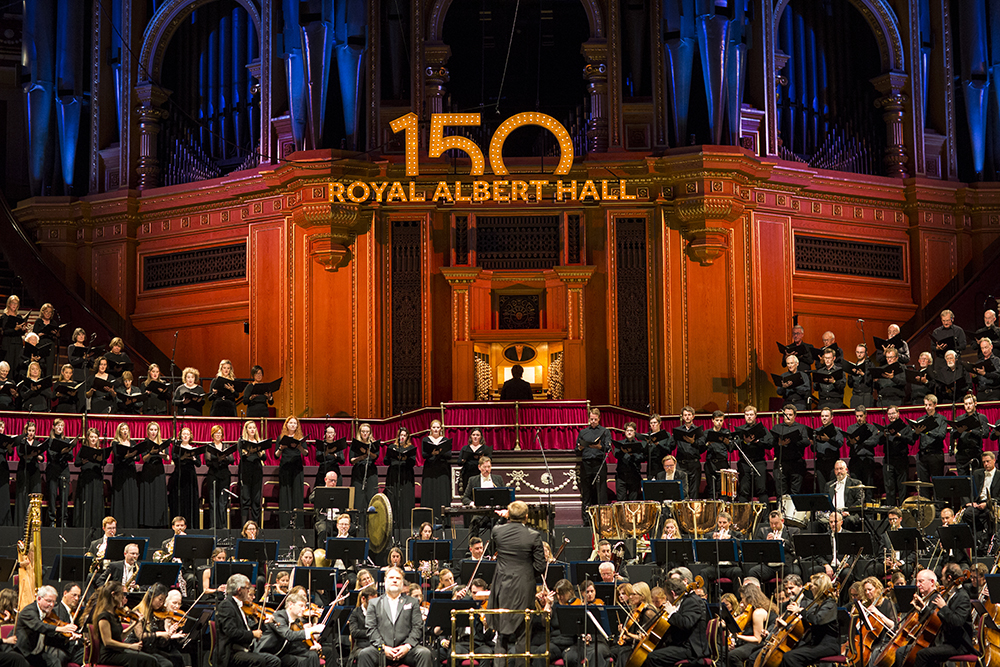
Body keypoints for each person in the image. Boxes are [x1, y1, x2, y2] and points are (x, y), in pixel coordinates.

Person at [488, 500, 545, 667]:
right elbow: (540, 566)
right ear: (526, 517)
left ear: (509, 515)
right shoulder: (533, 535)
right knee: (523, 632)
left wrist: (501, 519)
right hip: (524, 587)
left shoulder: (498, 531)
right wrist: (526, 575)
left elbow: (492, 548)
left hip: (502, 584)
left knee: (501, 631)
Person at [357, 567, 432, 667]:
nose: (395, 580)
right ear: (385, 580)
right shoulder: (374, 603)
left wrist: (407, 646)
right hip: (381, 650)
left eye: (398, 578)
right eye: (391, 577)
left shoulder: (412, 602)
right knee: (364, 654)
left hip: (407, 650)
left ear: (402, 582)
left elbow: (417, 627)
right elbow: (371, 629)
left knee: (424, 653)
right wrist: (383, 648)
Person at [912, 565, 975, 667]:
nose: (941, 579)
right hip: (946, 641)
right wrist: (923, 609)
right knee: (921, 650)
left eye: (943, 576)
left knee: (922, 654)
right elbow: (938, 619)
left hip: (958, 645)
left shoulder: (963, 596)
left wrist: (944, 607)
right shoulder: (950, 593)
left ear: (949, 578)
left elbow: (957, 622)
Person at [214, 573, 281, 667]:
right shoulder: (226, 606)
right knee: (258, 661)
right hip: (231, 652)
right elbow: (231, 632)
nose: (249, 590)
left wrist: (259, 622)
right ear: (239, 590)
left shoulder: (240, 606)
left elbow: (246, 630)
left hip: (243, 649)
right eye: (247, 588)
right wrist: (253, 634)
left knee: (274, 661)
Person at [643, 576, 709, 667]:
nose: (666, 598)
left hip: (692, 649)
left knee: (653, 657)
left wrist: (672, 613)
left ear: (673, 593)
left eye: (667, 595)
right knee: (651, 653)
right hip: (680, 644)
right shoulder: (683, 601)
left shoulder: (692, 602)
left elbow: (686, 624)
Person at [778, 573, 839, 667]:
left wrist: (801, 610)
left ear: (820, 587)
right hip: (815, 643)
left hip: (827, 645)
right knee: (786, 656)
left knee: (791, 657)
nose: (810, 587)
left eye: (813, 585)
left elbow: (817, 620)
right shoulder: (820, 603)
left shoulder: (830, 604)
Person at [14, 585, 80, 667]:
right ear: (39, 599)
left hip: (36, 654)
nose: (51, 605)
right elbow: (39, 626)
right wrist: (61, 628)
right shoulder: (29, 611)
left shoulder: (47, 615)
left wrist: (68, 638)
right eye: (48, 601)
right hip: (21, 652)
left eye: (54, 602)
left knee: (55, 662)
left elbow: (50, 638)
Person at [257, 590, 325, 667]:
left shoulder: (296, 620)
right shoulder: (279, 616)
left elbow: (296, 642)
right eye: (301, 605)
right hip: (270, 652)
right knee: (302, 661)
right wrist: (312, 629)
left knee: (312, 654)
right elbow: (288, 635)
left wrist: (310, 646)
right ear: (290, 604)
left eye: (304, 606)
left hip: (284, 652)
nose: (304, 609)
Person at [133, 583, 186, 667]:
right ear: (152, 597)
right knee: (167, 664)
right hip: (136, 648)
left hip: (150, 649)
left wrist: (169, 633)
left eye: (163, 601)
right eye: (160, 599)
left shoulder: (157, 613)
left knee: (176, 658)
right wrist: (160, 634)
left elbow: (161, 643)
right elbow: (140, 636)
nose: (161, 604)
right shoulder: (138, 612)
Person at [726, 583, 776, 667]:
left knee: (733, 655)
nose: (741, 602)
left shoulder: (758, 612)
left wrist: (737, 636)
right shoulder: (750, 610)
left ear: (749, 598)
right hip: (751, 643)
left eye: (742, 598)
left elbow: (757, 639)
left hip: (760, 644)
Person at [577, 408, 611, 522]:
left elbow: (609, 447)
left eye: (595, 419)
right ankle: (586, 520)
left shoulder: (605, 431)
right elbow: (576, 448)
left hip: (599, 463)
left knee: (601, 492)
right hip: (586, 464)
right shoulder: (583, 432)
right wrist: (580, 447)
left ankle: (603, 520)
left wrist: (600, 447)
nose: (593, 421)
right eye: (591, 419)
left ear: (599, 419)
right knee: (586, 492)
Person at [770, 404, 810, 497]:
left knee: (795, 491)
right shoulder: (777, 427)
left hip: (796, 463)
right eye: (786, 414)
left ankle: (794, 511)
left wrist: (793, 441)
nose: (788, 417)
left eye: (790, 415)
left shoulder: (801, 427)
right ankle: (781, 510)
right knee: (781, 492)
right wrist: (780, 444)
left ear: (795, 416)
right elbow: (770, 442)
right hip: (781, 462)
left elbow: (806, 442)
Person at [882, 405, 916, 507]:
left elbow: (911, 441)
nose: (891, 416)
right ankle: (891, 511)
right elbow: (878, 442)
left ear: (898, 414)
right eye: (889, 414)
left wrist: (899, 436)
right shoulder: (886, 429)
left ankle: (903, 511)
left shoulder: (905, 428)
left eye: (893, 413)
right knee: (889, 488)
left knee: (902, 488)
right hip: (889, 460)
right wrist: (884, 436)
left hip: (901, 460)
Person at [735, 406, 770, 503]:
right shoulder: (740, 429)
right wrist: (745, 442)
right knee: (743, 490)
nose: (749, 417)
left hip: (759, 461)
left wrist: (757, 441)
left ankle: (765, 518)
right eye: (747, 415)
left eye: (751, 415)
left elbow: (770, 444)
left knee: (762, 489)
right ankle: (744, 517)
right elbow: (732, 446)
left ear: (755, 416)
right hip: (744, 462)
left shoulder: (762, 429)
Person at [384, 426, 416, 531]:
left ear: (407, 437)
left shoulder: (410, 448)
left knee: (405, 500)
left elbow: (413, 462)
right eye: (400, 435)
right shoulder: (392, 447)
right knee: (394, 498)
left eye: (404, 435)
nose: (402, 437)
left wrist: (405, 458)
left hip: (406, 475)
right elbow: (385, 461)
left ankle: (405, 525)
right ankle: (393, 525)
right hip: (394, 475)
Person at [420, 419, 452, 525]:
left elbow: (449, 455)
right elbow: (424, 455)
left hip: (442, 469)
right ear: (430, 429)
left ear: (441, 429)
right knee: (430, 493)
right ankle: (427, 520)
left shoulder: (445, 440)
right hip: (430, 469)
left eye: (438, 427)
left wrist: (439, 452)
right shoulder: (426, 439)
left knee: (441, 493)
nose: (436, 429)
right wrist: (432, 453)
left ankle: (443, 521)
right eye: (434, 427)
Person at [138, 421, 169, 529]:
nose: (153, 432)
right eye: (151, 430)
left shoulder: (162, 442)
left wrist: (163, 455)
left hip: (159, 471)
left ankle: (159, 523)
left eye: (155, 430)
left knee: (158, 496)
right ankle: (147, 522)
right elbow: (144, 459)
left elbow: (168, 458)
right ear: (148, 431)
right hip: (148, 471)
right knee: (148, 496)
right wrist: (151, 453)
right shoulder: (145, 443)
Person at [277, 416, 306, 529]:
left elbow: (306, 453)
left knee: (297, 494)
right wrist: (281, 448)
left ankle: (298, 524)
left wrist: (299, 446)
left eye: (295, 423)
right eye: (291, 423)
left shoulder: (300, 437)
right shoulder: (281, 437)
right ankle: (285, 524)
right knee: (285, 494)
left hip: (297, 467)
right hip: (285, 467)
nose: (293, 425)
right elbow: (276, 455)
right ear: (287, 425)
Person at [914, 394, 948, 488]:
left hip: (935, 454)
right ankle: (925, 502)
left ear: (935, 405)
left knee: (937, 483)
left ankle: (938, 503)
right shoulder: (920, 420)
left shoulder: (941, 419)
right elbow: (914, 439)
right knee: (923, 484)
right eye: (925, 405)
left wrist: (928, 432)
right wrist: (916, 432)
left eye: (929, 405)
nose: (927, 407)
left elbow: (941, 435)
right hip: (923, 455)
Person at [672, 406, 706, 499]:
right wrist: (673, 437)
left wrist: (693, 442)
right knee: (681, 490)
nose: (687, 417)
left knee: (694, 491)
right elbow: (671, 446)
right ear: (682, 417)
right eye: (685, 415)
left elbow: (702, 446)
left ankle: (693, 512)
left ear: (693, 416)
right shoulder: (678, 430)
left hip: (694, 464)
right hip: (681, 464)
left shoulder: (698, 431)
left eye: (689, 415)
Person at [110, 422, 139, 529]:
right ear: (119, 431)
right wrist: (128, 456)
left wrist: (130, 456)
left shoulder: (132, 442)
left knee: (130, 498)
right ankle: (119, 525)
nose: (125, 431)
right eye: (122, 429)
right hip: (120, 473)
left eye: (126, 429)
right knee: (119, 498)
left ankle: (131, 525)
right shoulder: (115, 443)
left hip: (130, 473)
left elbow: (138, 457)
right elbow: (117, 456)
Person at [205, 424, 235, 529]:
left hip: (224, 475)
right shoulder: (210, 446)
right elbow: (207, 461)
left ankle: (223, 525)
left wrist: (224, 458)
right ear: (212, 435)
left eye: (219, 433)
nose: (218, 434)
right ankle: (213, 525)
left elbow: (232, 460)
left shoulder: (226, 446)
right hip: (213, 475)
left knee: (223, 501)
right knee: (213, 501)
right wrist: (218, 459)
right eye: (216, 433)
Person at [238, 420, 267, 524]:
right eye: (250, 428)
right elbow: (241, 456)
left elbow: (264, 457)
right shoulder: (242, 441)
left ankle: (256, 527)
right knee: (245, 500)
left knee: (256, 500)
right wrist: (249, 451)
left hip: (257, 473)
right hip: (245, 473)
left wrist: (259, 452)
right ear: (246, 430)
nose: (252, 430)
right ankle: (244, 528)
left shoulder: (259, 441)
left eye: (254, 428)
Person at [845, 405, 880, 492]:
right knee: (855, 485)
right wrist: (852, 442)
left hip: (867, 459)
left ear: (865, 415)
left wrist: (860, 441)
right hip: (855, 459)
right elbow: (848, 442)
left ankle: (868, 503)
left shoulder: (871, 428)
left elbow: (874, 442)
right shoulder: (851, 428)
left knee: (868, 485)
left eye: (861, 416)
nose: (859, 418)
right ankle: (857, 504)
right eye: (857, 416)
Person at [953, 393, 990, 474]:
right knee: (963, 481)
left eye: (970, 403)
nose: (968, 406)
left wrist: (971, 431)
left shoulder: (981, 418)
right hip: (962, 454)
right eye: (966, 404)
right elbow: (953, 436)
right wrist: (959, 431)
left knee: (976, 480)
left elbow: (985, 434)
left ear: (975, 403)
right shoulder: (960, 418)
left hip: (976, 452)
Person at [14, 422, 43, 527]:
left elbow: (42, 458)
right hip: (23, 470)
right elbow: (20, 454)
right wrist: (32, 454)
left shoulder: (37, 443)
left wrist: (36, 454)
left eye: (33, 431)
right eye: (29, 430)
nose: (31, 433)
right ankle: (22, 522)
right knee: (23, 495)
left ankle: (34, 522)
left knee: (34, 495)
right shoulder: (22, 442)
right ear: (25, 431)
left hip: (34, 471)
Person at [349, 423, 380, 521]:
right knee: (358, 498)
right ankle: (358, 523)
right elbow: (351, 460)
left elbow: (376, 456)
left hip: (371, 471)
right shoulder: (355, 444)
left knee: (370, 496)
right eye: (363, 432)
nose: (365, 434)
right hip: (358, 471)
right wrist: (361, 457)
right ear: (360, 432)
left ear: (370, 432)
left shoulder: (373, 444)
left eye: (367, 432)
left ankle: (371, 522)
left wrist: (367, 452)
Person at [172, 426, 200, 528]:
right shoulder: (177, 448)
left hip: (190, 476)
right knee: (180, 500)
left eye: (187, 434)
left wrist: (193, 458)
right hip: (179, 476)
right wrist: (182, 457)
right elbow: (174, 459)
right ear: (180, 435)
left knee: (190, 500)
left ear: (190, 436)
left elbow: (199, 464)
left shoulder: (194, 448)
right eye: (183, 434)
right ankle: (179, 524)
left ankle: (191, 525)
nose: (185, 436)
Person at [812, 407, 844, 493]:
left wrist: (828, 440)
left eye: (826, 416)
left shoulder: (837, 430)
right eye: (822, 416)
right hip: (820, 463)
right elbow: (813, 450)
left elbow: (840, 444)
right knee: (822, 489)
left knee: (833, 488)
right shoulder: (817, 431)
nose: (824, 418)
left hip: (832, 463)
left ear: (831, 417)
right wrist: (812, 443)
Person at [704, 410, 732, 499]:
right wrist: (708, 444)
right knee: (711, 489)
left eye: (721, 420)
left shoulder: (726, 432)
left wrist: (728, 443)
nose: (719, 422)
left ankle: (722, 511)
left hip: (722, 463)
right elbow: (700, 448)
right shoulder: (707, 432)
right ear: (712, 420)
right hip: (710, 463)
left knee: (723, 490)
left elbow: (731, 449)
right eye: (717, 420)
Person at [458, 428, 492, 496]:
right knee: (468, 493)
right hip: (467, 474)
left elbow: (490, 460)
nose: (475, 437)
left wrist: (481, 458)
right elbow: (459, 462)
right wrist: (463, 460)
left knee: (480, 493)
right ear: (471, 436)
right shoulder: (465, 448)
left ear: (481, 437)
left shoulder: (485, 448)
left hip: (480, 473)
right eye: (473, 435)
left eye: (477, 435)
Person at [311, 470, 340, 547]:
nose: (333, 483)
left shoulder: (340, 492)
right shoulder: (319, 490)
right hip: (323, 519)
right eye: (331, 480)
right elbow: (311, 498)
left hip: (337, 520)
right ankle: (321, 554)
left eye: (335, 481)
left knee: (353, 529)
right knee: (323, 530)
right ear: (325, 480)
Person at [313, 425, 345, 491]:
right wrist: (326, 453)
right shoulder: (321, 445)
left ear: (334, 434)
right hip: (323, 472)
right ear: (325, 434)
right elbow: (318, 458)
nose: (330, 435)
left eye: (331, 433)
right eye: (328, 433)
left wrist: (335, 455)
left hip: (335, 472)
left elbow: (342, 460)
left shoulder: (338, 445)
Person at [846, 343, 874, 408]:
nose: (859, 354)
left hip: (866, 395)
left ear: (866, 353)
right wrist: (849, 375)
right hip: (856, 395)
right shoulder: (854, 366)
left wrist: (863, 374)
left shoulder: (869, 365)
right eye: (857, 352)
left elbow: (870, 381)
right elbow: (850, 385)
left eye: (861, 352)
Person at [0, 295, 25, 368]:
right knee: (9, 363)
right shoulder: (4, 317)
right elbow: (4, 332)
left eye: (16, 303)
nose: (14, 305)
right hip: (8, 343)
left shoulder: (19, 317)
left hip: (17, 342)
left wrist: (22, 329)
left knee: (17, 363)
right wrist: (15, 329)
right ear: (9, 304)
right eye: (13, 303)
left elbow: (21, 333)